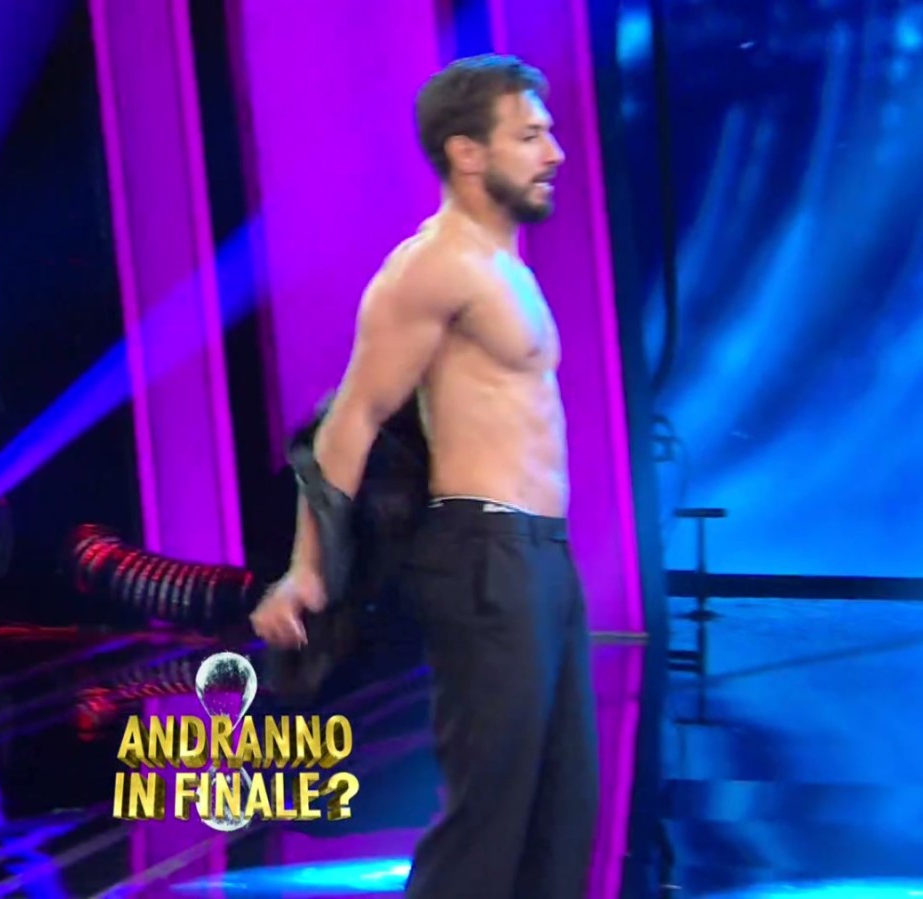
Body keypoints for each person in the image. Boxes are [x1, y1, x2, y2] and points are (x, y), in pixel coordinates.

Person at [249, 54, 598, 898]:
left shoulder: (505, 265)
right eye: (530, 135)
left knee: (562, 814)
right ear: (467, 152)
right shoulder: (431, 267)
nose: (554, 152)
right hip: (483, 555)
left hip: (542, 557)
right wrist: (308, 568)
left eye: (549, 133)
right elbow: (350, 419)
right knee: (490, 816)